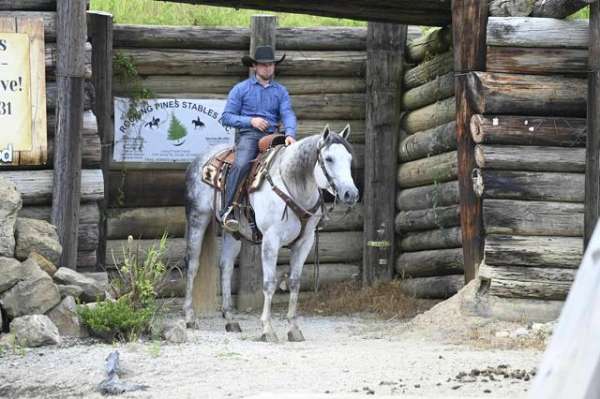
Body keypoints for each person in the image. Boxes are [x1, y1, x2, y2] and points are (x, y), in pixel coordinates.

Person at [220, 45, 297, 232]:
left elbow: (287, 114)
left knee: (292, 164)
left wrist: (290, 134)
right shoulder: (241, 89)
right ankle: (228, 210)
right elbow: (226, 117)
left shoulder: (281, 91)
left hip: (274, 136)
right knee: (242, 164)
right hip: (250, 135)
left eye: (271, 65)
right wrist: (251, 121)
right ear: (254, 66)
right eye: (263, 65)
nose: (268, 69)